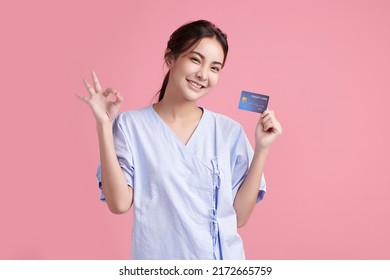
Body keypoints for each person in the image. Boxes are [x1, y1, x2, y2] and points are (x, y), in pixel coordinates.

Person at [77, 20, 282, 260]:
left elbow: (239, 217)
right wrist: (103, 124)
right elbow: (119, 204)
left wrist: (262, 148)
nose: (203, 75)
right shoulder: (131, 127)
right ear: (170, 59)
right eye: (195, 59)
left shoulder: (228, 131)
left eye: (215, 68)